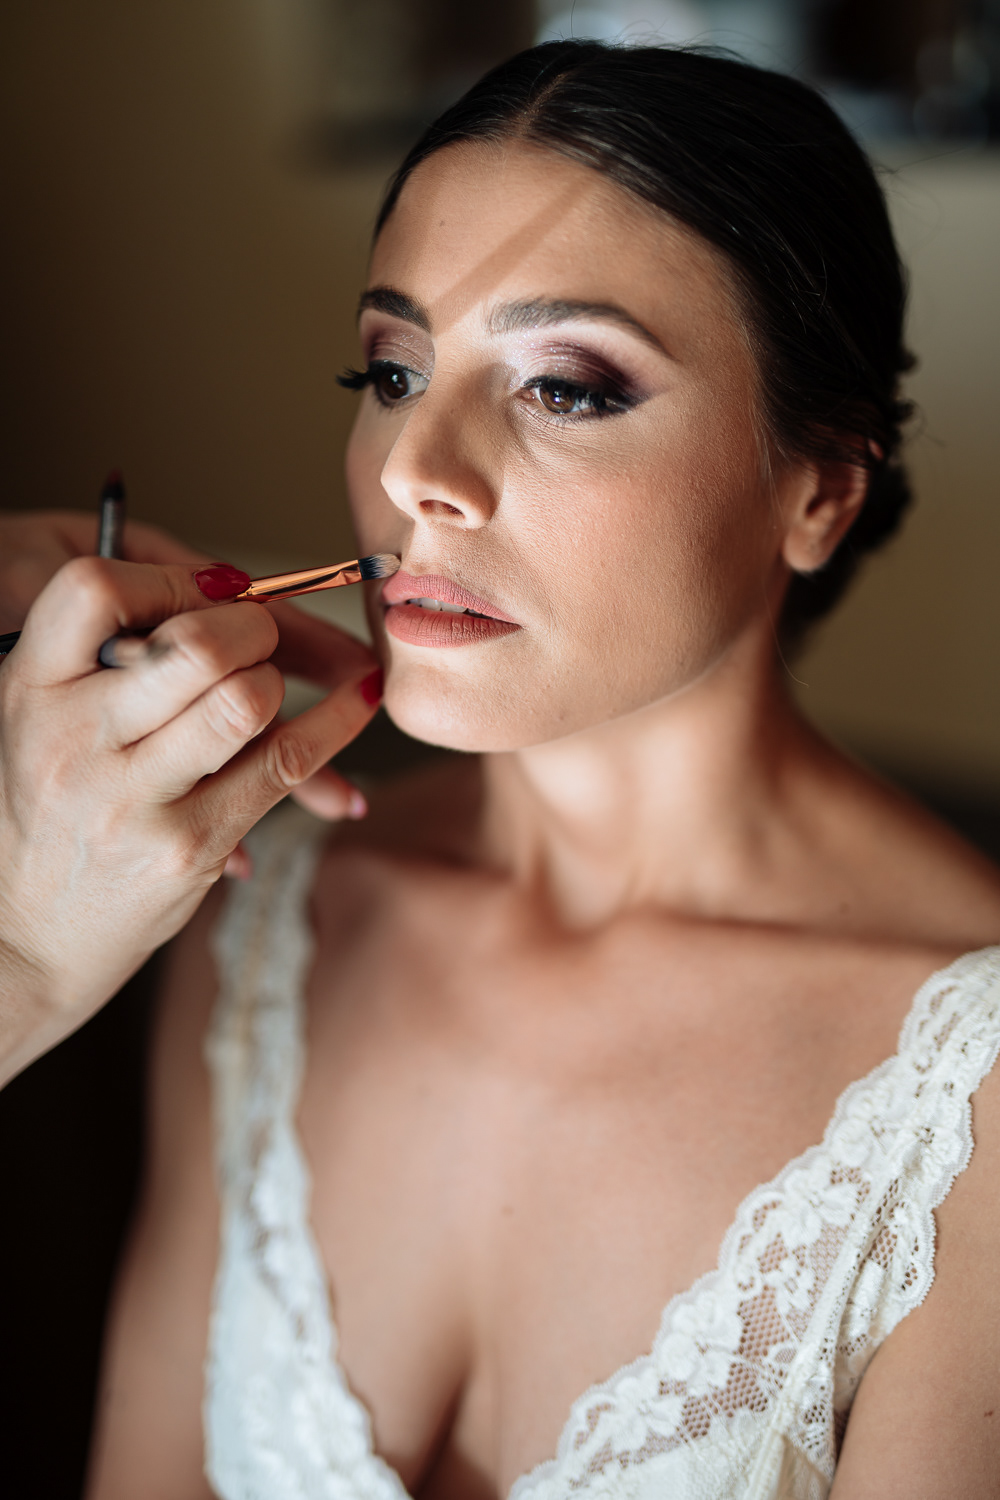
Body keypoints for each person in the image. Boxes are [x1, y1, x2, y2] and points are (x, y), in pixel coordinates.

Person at [84, 42, 1000, 1500]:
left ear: (819, 491)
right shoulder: (268, 920)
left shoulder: (972, 1102)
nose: (414, 469)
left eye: (565, 387)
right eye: (394, 371)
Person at [0, 509, 382, 1087]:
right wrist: (26, 960)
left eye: (568, 409)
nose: (406, 475)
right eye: (395, 411)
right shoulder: (263, 933)